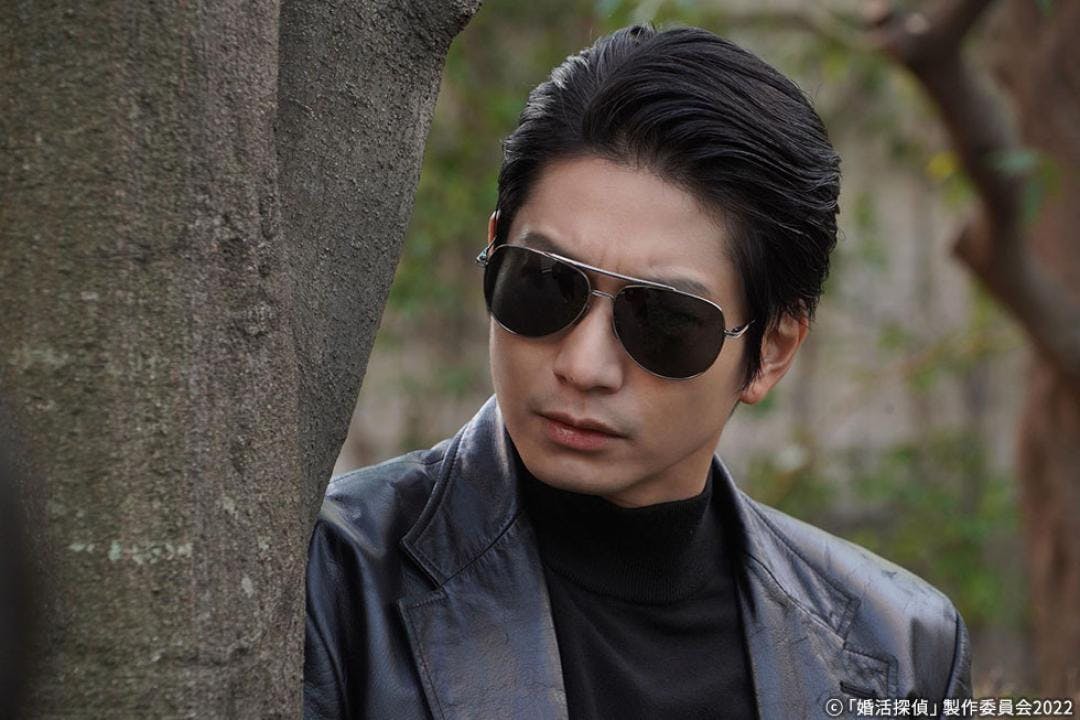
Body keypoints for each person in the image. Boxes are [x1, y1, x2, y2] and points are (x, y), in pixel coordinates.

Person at [303, 24, 972, 719]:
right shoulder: (331, 578)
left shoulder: (901, 650)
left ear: (771, 350)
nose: (583, 365)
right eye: (545, 283)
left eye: (664, 321)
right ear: (495, 248)